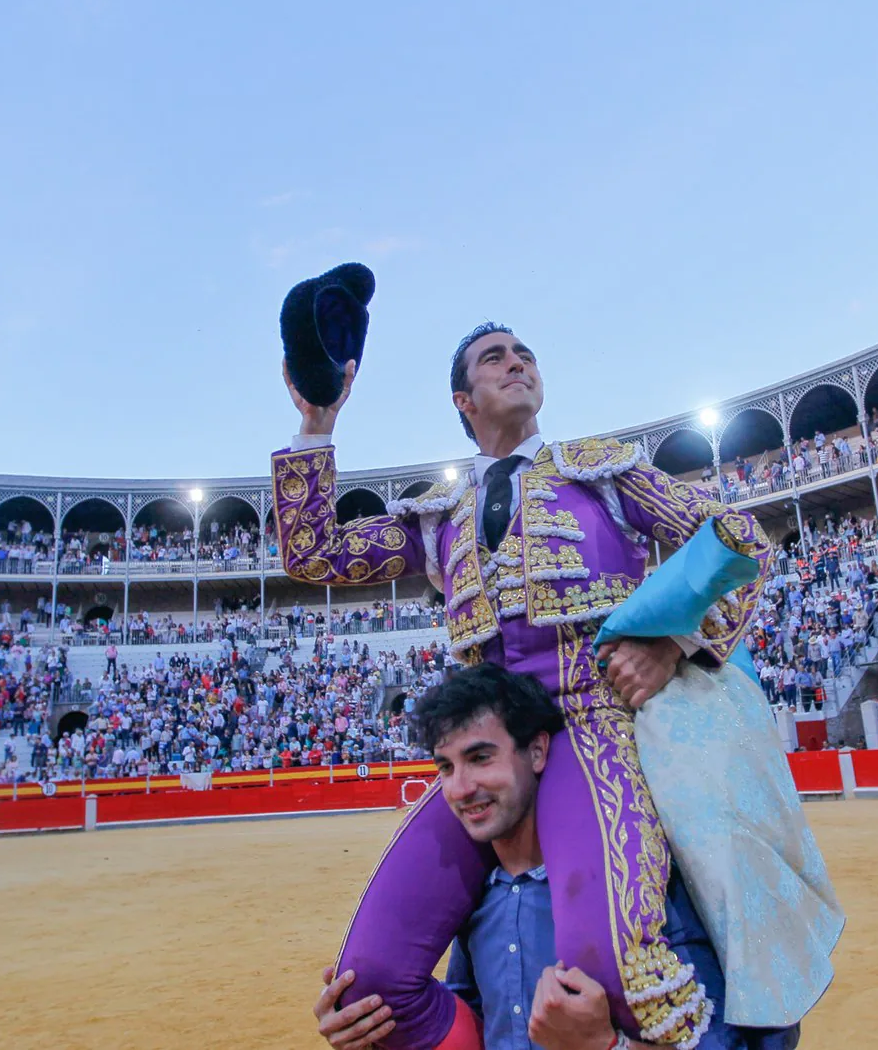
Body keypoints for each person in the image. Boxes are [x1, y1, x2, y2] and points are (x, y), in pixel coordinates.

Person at [274, 322, 835, 1049]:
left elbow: (737, 538)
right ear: (462, 400)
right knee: (369, 981)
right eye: (494, 358)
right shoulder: (439, 515)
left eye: (525, 354)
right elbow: (317, 554)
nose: (517, 363)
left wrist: (673, 640)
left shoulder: (601, 473)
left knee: (614, 967)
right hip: (487, 748)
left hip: (593, 724)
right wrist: (317, 425)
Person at [311, 665, 796, 1050]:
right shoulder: (480, 899)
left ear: (538, 752)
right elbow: (473, 1020)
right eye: (446, 766)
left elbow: (724, 1040)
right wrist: (377, 1031)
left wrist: (607, 1047)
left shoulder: (637, 881)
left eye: (481, 758)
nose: (461, 788)